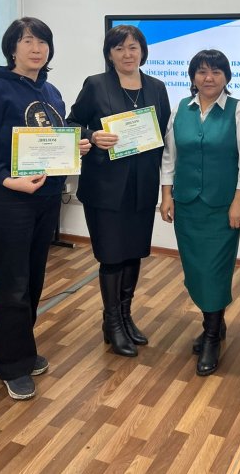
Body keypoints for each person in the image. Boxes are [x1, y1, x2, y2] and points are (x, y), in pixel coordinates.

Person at [0, 17, 91, 401]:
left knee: (33, 282)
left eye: (42, 42)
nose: (36, 49)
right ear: (12, 48)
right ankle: (12, 366)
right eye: (27, 41)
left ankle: (15, 349)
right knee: (13, 284)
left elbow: (50, 143)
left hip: (46, 200)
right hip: (11, 202)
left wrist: (74, 147)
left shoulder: (51, 92)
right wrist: (7, 179)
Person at [66, 25, 170, 357]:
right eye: (120, 48)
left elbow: (164, 135)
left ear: (143, 51)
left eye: (133, 47)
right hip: (105, 188)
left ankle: (126, 316)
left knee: (134, 253)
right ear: (109, 54)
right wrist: (92, 136)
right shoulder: (96, 84)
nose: (128, 54)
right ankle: (111, 323)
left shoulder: (157, 88)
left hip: (143, 186)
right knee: (111, 256)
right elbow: (71, 123)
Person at [160, 49, 240, 376]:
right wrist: (166, 196)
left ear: (227, 76)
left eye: (216, 71)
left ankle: (212, 336)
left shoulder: (239, 110)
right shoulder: (180, 110)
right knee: (195, 270)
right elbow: (170, 157)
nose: (209, 78)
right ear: (192, 77)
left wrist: (239, 202)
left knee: (215, 270)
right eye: (201, 71)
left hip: (222, 207)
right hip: (187, 205)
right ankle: (214, 323)